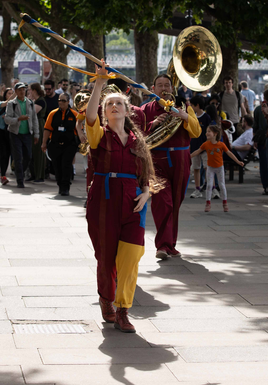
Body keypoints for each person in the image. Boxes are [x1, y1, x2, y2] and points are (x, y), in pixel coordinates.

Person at [85, 63, 158, 333]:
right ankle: (107, 299)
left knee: (131, 256)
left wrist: (147, 192)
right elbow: (89, 115)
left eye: (119, 103)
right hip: (103, 200)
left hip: (133, 202)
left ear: (127, 110)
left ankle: (124, 310)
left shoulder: (137, 140)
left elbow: (145, 174)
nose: (114, 106)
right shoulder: (99, 135)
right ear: (105, 112)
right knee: (105, 257)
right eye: (109, 104)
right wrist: (99, 84)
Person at [142, 74, 201, 259]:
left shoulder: (184, 106)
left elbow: (197, 131)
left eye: (167, 85)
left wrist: (184, 116)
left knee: (175, 202)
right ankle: (162, 246)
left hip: (180, 158)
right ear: (153, 89)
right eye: (159, 85)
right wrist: (152, 124)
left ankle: (171, 244)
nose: (164, 88)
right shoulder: (145, 109)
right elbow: (136, 134)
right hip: (157, 160)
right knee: (162, 203)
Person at [192, 124, 243, 212]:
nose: (206, 133)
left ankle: (225, 203)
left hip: (219, 168)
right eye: (206, 131)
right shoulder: (206, 144)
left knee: (222, 185)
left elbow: (229, 153)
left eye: (209, 132)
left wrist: (238, 161)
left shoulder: (221, 145)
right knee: (209, 185)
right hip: (210, 168)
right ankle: (208, 203)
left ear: (215, 134)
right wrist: (189, 156)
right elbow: (198, 151)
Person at [4, 82, 39, 188]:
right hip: (15, 134)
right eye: (19, 90)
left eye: (24, 89)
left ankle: (20, 171)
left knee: (28, 156)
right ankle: (20, 180)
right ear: (16, 91)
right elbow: (7, 119)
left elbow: (34, 119)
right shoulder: (12, 104)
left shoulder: (30, 103)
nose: (22, 92)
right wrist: (18, 119)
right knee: (18, 157)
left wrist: (36, 133)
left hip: (27, 134)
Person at [42, 93, 79, 196]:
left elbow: (79, 130)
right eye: (59, 100)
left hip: (69, 145)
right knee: (57, 166)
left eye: (63, 101)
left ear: (68, 102)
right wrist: (44, 143)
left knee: (66, 165)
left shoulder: (74, 115)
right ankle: (60, 185)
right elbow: (47, 129)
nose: (60, 103)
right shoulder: (52, 114)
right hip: (55, 144)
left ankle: (65, 187)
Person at [188, 96, 211, 199]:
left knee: (207, 168)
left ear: (197, 105)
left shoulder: (206, 117)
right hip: (194, 147)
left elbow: (209, 132)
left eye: (192, 105)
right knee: (196, 168)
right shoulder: (191, 117)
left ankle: (211, 188)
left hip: (205, 147)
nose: (191, 107)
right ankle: (197, 189)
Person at [252, 89, 268, 195]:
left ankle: (267, 186)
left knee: (264, 163)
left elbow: (255, 126)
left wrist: (255, 139)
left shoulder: (259, 109)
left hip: (262, 138)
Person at [28, 83, 47, 183]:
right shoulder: (35, 100)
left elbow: (31, 112)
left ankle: (39, 175)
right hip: (33, 125)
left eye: (29, 90)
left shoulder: (41, 101)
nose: (28, 92)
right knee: (32, 151)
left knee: (38, 151)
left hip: (39, 125)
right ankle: (33, 173)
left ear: (34, 90)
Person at [0, 88, 14, 185]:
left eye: (12, 93)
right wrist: (15, 94)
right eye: (9, 93)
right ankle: (3, 175)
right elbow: (7, 102)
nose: (11, 95)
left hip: (13, 131)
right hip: (2, 131)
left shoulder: (16, 105)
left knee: (13, 153)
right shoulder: (1, 104)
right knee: (4, 154)